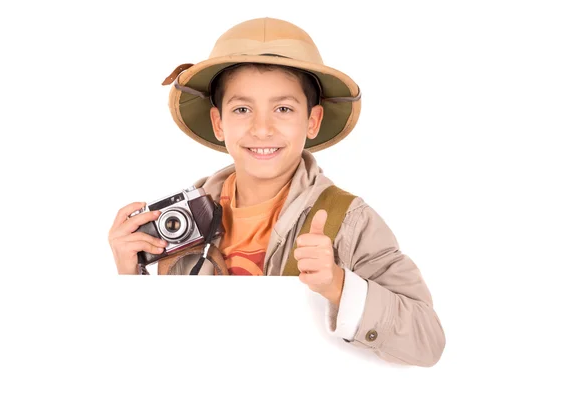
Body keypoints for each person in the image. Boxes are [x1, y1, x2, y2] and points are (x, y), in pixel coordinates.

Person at [108, 17, 445, 367]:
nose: (263, 128)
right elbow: (159, 351)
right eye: (242, 109)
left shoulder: (348, 222)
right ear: (218, 122)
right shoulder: (180, 222)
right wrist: (130, 278)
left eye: (283, 109)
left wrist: (339, 285)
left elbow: (428, 341)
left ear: (312, 121)